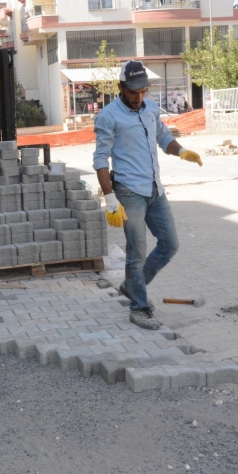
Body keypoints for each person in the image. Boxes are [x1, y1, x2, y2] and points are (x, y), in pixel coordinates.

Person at [93, 61, 203, 330]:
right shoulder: (108, 116)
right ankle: (138, 307)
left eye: (143, 91)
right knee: (136, 252)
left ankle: (132, 285)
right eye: (133, 92)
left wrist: (182, 151)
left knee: (169, 244)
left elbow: (164, 137)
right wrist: (110, 200)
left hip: (155, 190)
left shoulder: (151, 109)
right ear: (120, 87)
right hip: (128, 193)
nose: (138, 97)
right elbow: (100, 159)